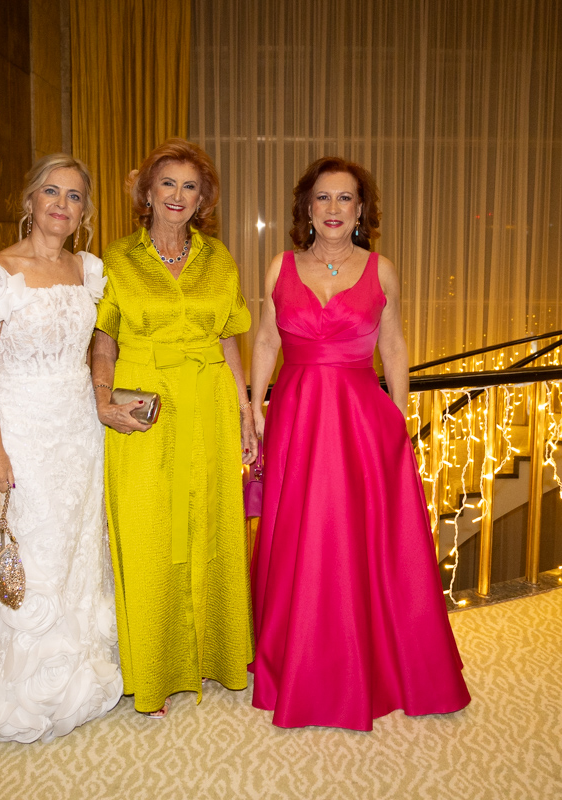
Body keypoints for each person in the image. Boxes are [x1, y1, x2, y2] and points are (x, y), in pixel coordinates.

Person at [247, 156, 471, 730]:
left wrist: (398, 415)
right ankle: (299, 660)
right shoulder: (280, 267)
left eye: (344, 198)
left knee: (363, 541)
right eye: (322, 198)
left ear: (361, 209)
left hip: (359, 422)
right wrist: (255, 406)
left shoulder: (382, 270)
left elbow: (393, 346)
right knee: (300, 535)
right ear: (306, 207)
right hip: (297, 415)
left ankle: (373, 662)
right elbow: (267, 341)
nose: (333, 209)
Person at [0, 154, 123, 743]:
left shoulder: (87, 271)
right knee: (27, 549)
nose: (62, 205)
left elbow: (97, 348)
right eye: (51, 192)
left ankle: (74, 670)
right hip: (23, 431)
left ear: (85, 211)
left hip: (79, 433)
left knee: (75, 547)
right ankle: (9, 683)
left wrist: (110, 399)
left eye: (74, 196)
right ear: (30, 200)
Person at [90, 139, 257, 718]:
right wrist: (103, 400)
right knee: (147, 534)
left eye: (190, 186)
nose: (178, 196)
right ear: (147, 192)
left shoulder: (219, 259)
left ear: (203, 198)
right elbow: (104, 340)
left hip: (209, 405)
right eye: (168, 184)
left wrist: (245, 412)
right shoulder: (117, 259)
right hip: (145, 410)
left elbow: (229, 339)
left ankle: (217, 655)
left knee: (212, 528)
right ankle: (154, 671)